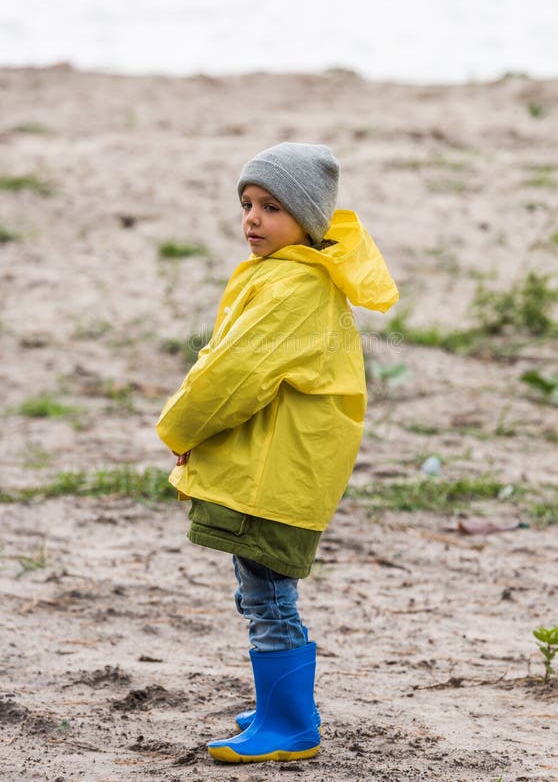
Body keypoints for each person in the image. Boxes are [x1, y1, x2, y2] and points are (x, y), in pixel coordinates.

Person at [155, 142, 398, 763]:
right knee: (257, 587)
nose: (253, 219)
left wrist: (179, 428)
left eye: (272, 206)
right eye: (247, 204)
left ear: (309, 221)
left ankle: (291, 724)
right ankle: (279, 706)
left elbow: (235, 376)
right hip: (278, 466)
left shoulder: (294, 288)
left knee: (267, 594)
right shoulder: (289, 275)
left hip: (276, 473)